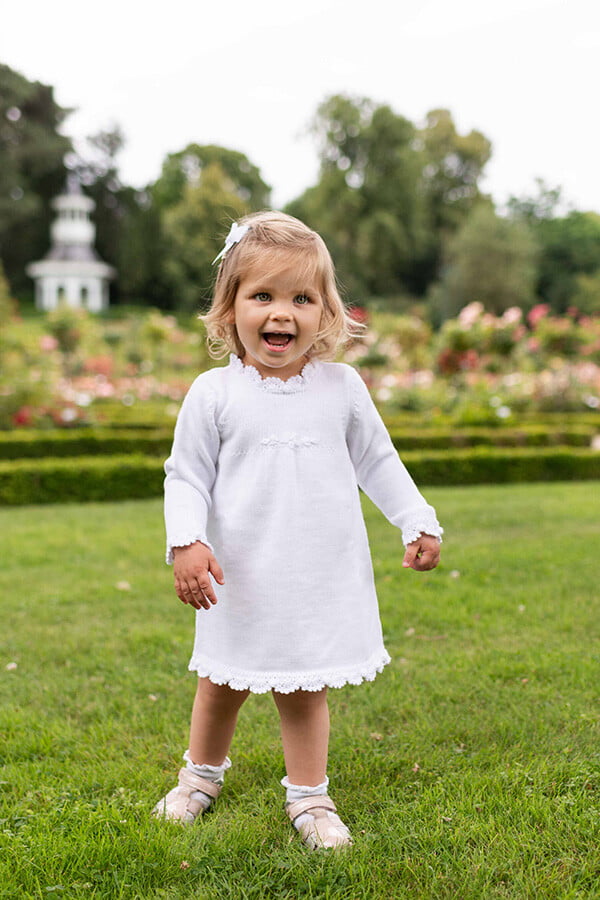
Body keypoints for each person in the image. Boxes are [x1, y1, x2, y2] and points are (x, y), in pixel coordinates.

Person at [153, 211, 443, 849]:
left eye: (301, 299)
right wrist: (187, 541)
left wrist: (416, 519)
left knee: (306, 689)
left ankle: (310, 796)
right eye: (262, 296)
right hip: (239, 575)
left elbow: (378, 461)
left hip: (315, 573)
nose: (281, 313)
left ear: (326, 312)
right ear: (230, 309)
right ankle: (200, 777)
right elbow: (186, 476)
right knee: (220, 683)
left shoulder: (342, 388)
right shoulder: (213, 394)